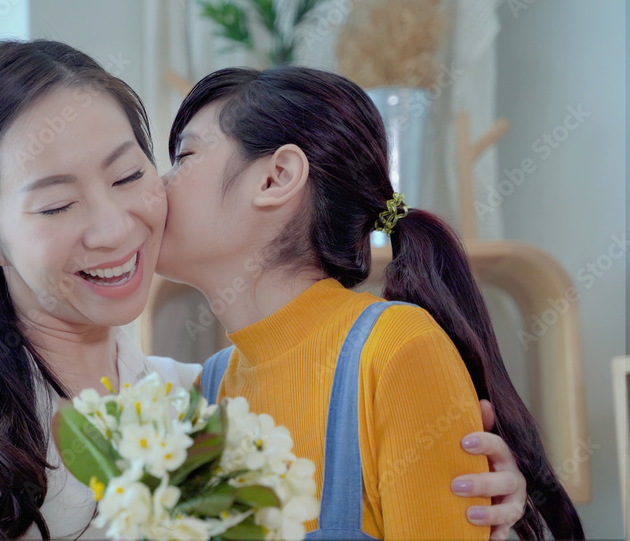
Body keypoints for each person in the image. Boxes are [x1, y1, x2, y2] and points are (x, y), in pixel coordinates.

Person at [0, 40, 528, 540]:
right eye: (57, 204)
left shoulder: (192, 408)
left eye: (130, 175)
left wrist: (481, 498)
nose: (115, 228)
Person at [158, 66, 583, 539]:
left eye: (184, 157)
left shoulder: (399, 350)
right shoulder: (209, 389)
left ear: (277, 177)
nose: (158, 186)